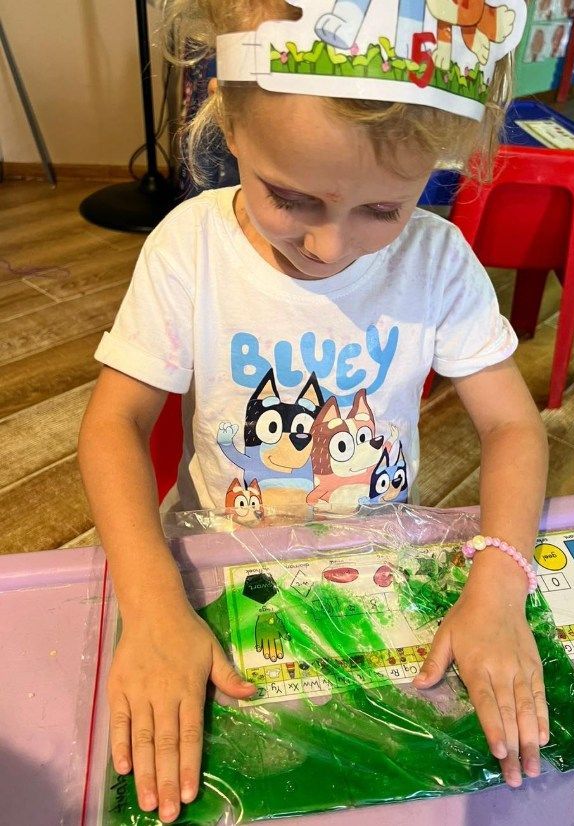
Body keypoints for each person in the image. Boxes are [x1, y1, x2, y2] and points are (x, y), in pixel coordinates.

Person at [78, 1, 548, 823]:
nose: (331, 248)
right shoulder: (189, 248)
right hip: (212, 582)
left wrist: (501, 585)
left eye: (382, 209)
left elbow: (512, 426)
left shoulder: (438, 261)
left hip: (377, 576)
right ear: (226, 111)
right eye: (291, 197)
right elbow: (113, 424)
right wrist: (153, 606)